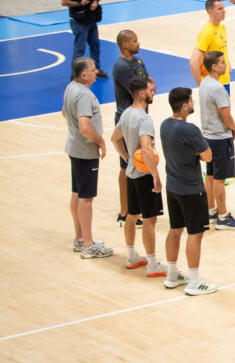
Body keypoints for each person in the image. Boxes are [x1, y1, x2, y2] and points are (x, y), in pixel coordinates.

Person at [159, 88, 217, 296]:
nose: (193, 103)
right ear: (184, 105)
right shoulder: (190, 130)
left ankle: (172, 275)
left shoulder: (165, 125)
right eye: (191, 101)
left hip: (172, 187)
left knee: (175, 229)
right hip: (191, 189)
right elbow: (208, 156)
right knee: (196, 234)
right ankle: (194, 281)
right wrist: (197, 153)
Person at [111, 77, 166, 277]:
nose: (153, 93)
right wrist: (155, 176)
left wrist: (127, 159)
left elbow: (115, 138)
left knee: (131, 216)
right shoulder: (144, 119)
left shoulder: (126, 113)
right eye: (151, 90)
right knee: (150, 220)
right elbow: (146, 148)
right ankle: (152, 264)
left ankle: (132, 256)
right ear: (142, 94)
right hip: (144, 176)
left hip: (131, 173)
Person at [62, 57, 112, 259]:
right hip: (85, 151)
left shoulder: (70, 87)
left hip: (74, 148)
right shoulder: (84, 95)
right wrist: (100, 141)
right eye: (92, 69)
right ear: (84, 75)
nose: (96, 71)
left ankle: (80, 239)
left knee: (77, 193)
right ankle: (89, 245)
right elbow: (84, 127)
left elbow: (65, 112)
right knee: (86, 199)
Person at [198, 51, 235, 230]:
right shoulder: (218, 89)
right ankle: (223, 217)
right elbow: (225, 115)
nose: (226, 65)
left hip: (207, 136)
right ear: (214, 66)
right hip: (219, 137)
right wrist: (234, 128)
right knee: (219, 177)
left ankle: (211, 212)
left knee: (209, 175)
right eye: (222, 62)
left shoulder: (204, 83)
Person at [112, 29, 151, 228]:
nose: (138, 43)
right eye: (135, 40)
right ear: (125, 45)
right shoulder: (121, 66)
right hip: (127, 119)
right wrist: (148, 89)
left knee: (140, 162)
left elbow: (150, 83)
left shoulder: (138, 62)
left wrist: (149, 88)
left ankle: (137, 208)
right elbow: (139, 91)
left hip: (141, 117)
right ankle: (124, 212)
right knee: (126, 165)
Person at [61, 0, 107, 77]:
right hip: (79, 21)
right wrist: (80, 3)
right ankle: (75, 75)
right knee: (79, 50)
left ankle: (96, 69)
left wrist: (96, 1)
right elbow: (64, 1)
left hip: (91, 19)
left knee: (95, 45)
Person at [190, 0, 232, 93]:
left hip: (225, 81)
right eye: (220, 9)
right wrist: (201, 85)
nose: (224, 11)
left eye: (223, 8)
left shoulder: (222, 27)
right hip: (214, 85)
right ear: (210, 12)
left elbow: (220, 50)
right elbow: (193, 61)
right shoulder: (206, 32)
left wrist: (227, 62)